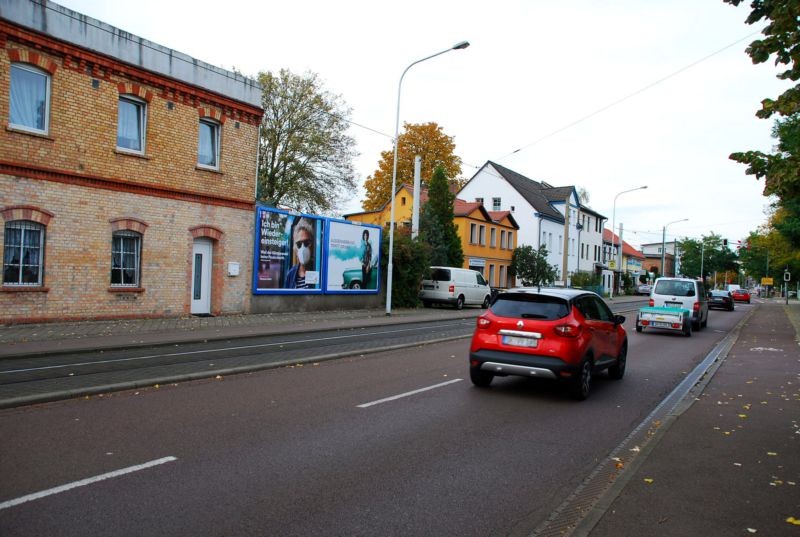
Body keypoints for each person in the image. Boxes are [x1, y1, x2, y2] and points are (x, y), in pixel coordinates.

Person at [284, 218, 315, 289]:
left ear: (313, 245)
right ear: (295, 248)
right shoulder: (291, 274)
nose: (303, 248)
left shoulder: (319, 270)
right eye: (299, 244)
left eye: (307, 243)